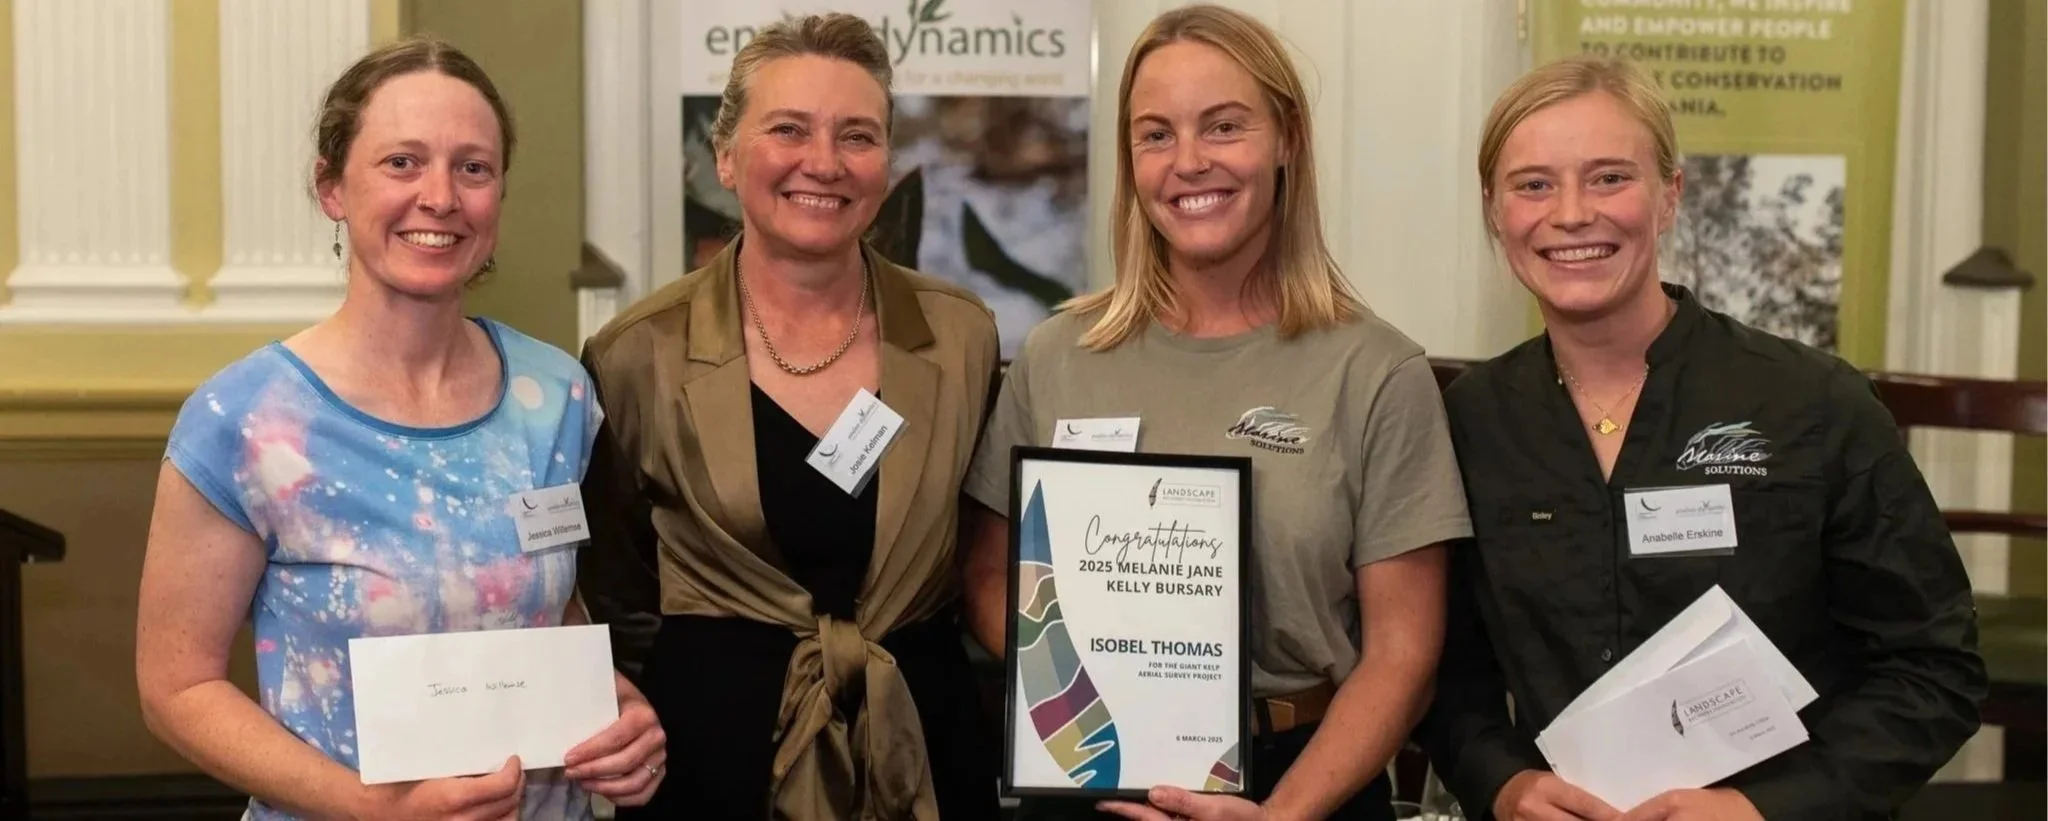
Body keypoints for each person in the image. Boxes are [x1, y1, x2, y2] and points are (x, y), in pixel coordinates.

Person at [1414, 55, 1986, 821]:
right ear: (1494, 209)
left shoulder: (1814, 404)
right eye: (1534, 184)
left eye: (1609, 177)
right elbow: (1442, 671)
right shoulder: (1468, 420)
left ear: (1670, 195)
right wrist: (1504, 783)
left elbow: (1933, 669)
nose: (1572, 213)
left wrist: (1761, 808)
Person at [959, 5, 1472, 820]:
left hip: (1305, 783)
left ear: (1287, 137)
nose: (1189, 162)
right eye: (1156, 134)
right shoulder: (1058, 356)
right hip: (1089, 762)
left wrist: (1282, 815)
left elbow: (1403, 655)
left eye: (1225, 126)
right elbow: (990, 579)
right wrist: (1095, 684)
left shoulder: (1377, 372)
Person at [134, 37, 665, 821]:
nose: (440, 197)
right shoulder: (246, 421)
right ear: (331, 187)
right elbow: (177, 686)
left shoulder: (556, 396)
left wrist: (614, 715)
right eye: (402, 162)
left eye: (473, 168)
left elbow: (549, 614)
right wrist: (367, 806)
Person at [573, 13, 1002, 821]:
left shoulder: (962, 337)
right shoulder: (638, 354)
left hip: (920, 751)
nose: (824, 162)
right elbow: (615, 581)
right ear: (726, 156)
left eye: (857, 136)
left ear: (887, 162)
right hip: (709, 760)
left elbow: (981, 552)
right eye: (789, 129)